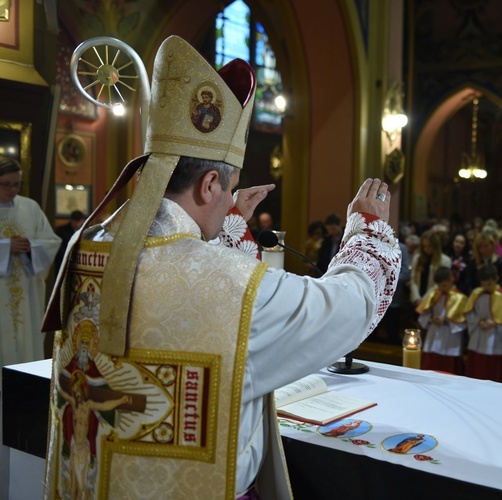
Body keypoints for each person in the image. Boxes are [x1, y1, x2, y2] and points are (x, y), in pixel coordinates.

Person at [42, 36, 401, 500]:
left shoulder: (85, 243)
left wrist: (226, 222)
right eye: (229, 186)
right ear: (210, 183)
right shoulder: (229, 285)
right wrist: (366, 232)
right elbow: (346, 308)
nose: (232, 198)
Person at [0, 156, 61, 370]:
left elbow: (52, 242)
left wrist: (31, 246)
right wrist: (5, 247)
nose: (12, 189)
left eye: (17, 184)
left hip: (26, 296)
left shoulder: (30, 208)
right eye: (6, 184)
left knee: (25, 348)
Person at [464, 264, 502, 382]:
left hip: (496, 337)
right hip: (478, 334)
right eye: (483, 284)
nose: (486, 287)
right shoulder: (477, 294)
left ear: (496, 279)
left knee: (493, 373)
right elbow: (469, 313)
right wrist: (478, 321)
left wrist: (494, 323)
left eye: (489, 284)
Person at [416, 266, 467, 374]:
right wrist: (431, 319)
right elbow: (424, 314)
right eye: (439, 285)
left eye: (444, 285)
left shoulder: (460, 298)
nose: (442, 288)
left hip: (450, 335)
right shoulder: (434, 294)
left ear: (451, 280)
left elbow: (463, 321)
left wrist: (446, 321)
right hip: (434, 333)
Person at [409, 230, 451, 308]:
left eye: (429, 246)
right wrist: (417, 298)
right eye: (424, 246)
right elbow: (413, 280)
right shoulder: (417, 258)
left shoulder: (445, 260)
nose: (426, 249)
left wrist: (425, 299)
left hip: (434, 300)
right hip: (417, 299)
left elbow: (439, 283)